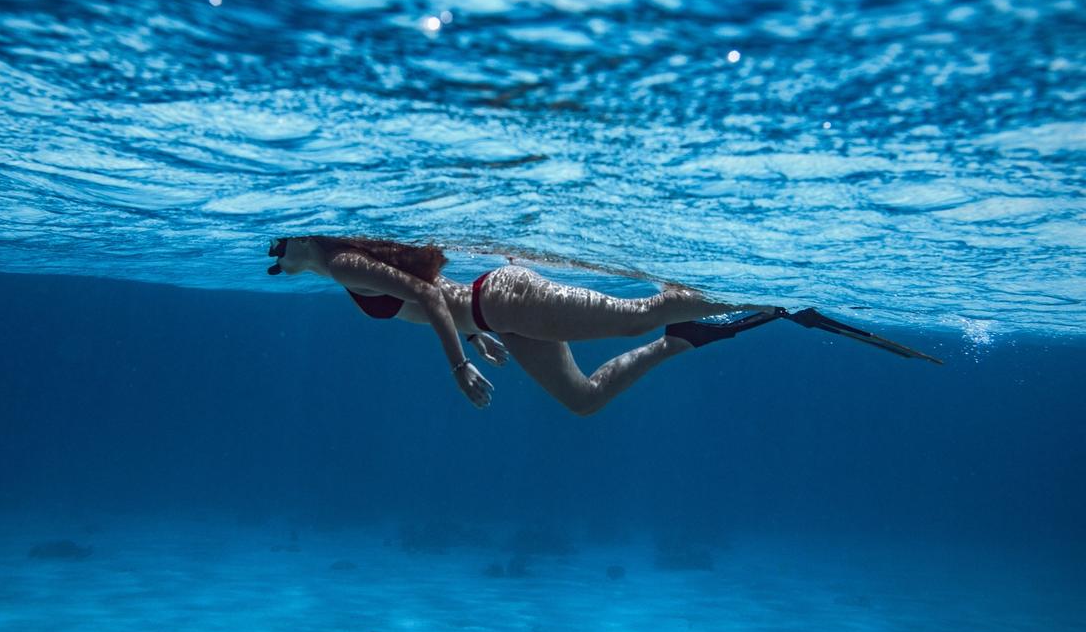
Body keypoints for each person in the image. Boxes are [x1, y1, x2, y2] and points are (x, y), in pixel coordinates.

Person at [267, 236, 940, 415]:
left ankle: (773, 293)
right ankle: (690, 336)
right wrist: (475, 337)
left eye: (277, 249)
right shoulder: (333, 268)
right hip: (497, 315)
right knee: (583, 400)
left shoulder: (346, 262)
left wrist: (459, 361)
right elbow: (433, 298)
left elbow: (426, 297)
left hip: (505, 298)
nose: (275, 262)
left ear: (301, 236)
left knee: (634, 316)